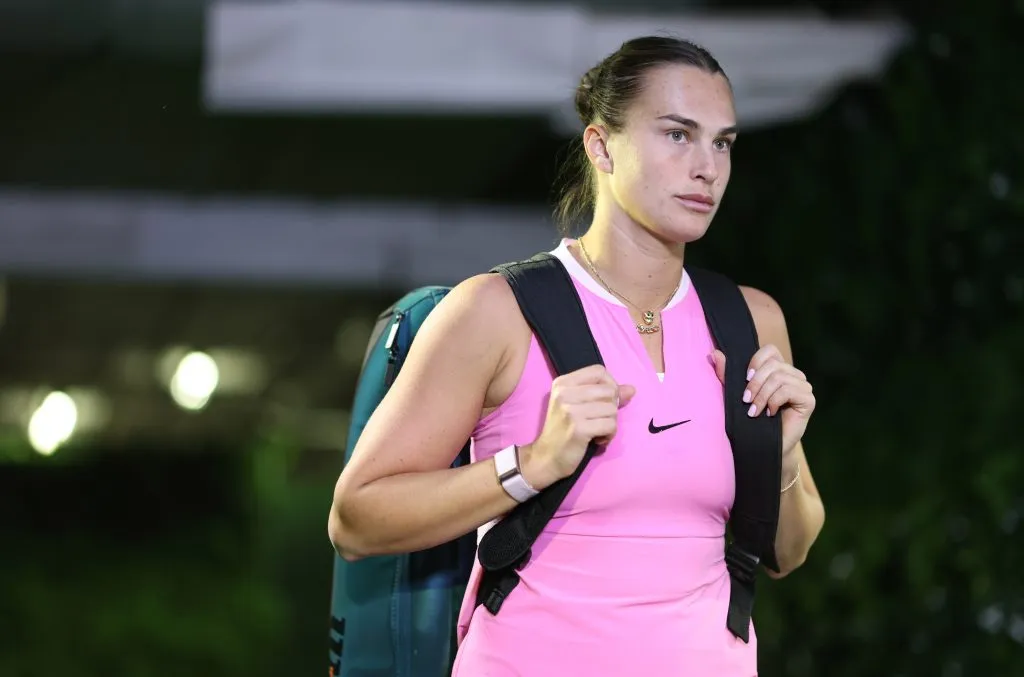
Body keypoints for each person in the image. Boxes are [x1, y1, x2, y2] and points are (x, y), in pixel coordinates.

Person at [328, 35, 825, 676]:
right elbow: (356, 520)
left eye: (722, 142)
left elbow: (789, 552)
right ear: (600, 146)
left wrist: (778, 456)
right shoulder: (497, 311)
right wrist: (532, 464)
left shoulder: (749, 321)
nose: (707, 167)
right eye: (678, 134)